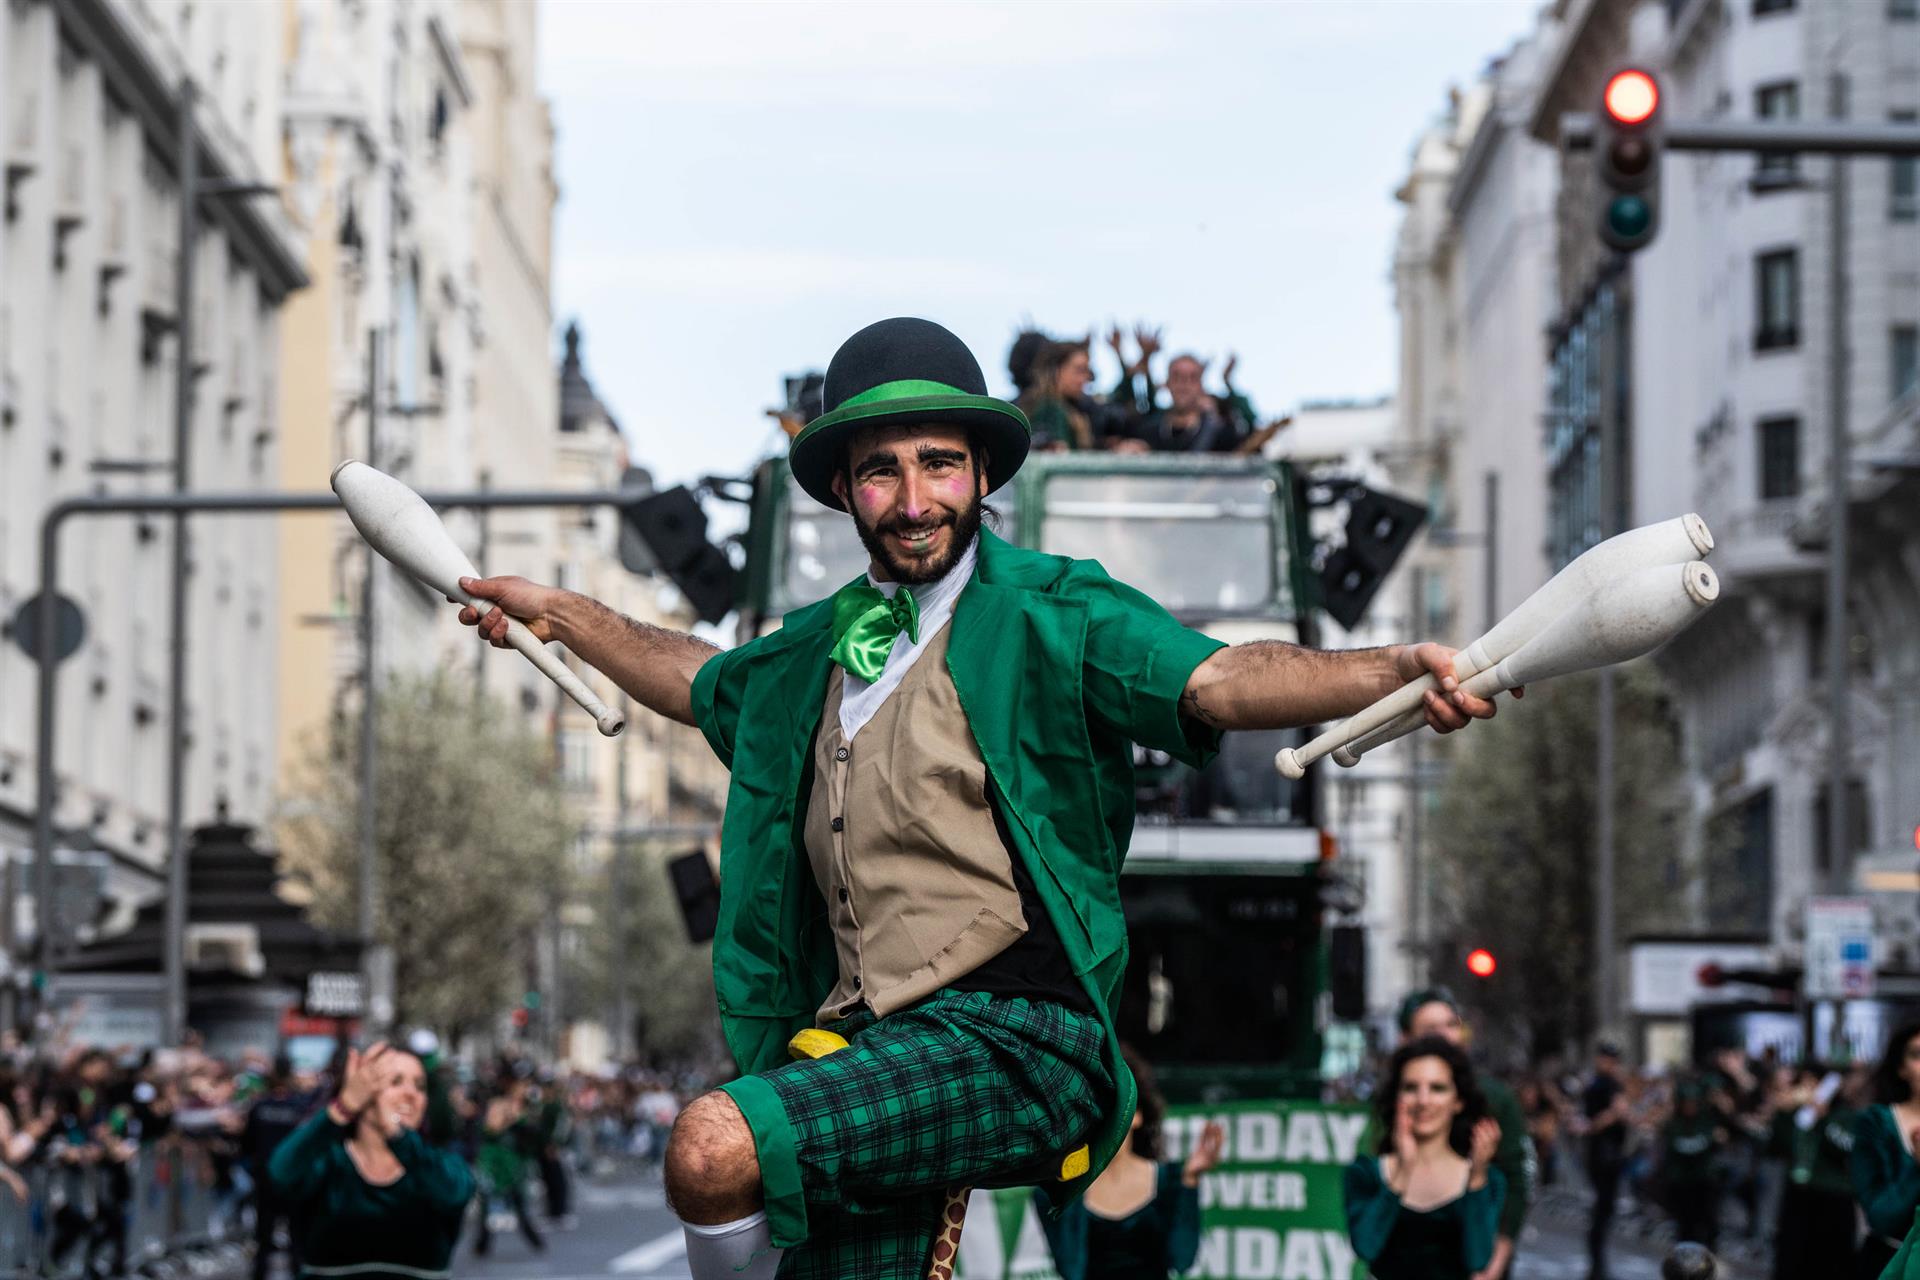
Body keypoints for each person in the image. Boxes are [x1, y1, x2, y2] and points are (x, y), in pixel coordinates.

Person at [453, 315, 1499, 1279]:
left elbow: (1218, 677)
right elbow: (695, 673)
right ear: (843, 491)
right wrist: (561, 613)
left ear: (981, 469)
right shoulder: (814, 650)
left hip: (1015, 1034)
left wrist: (1389, 668)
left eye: (940, 463)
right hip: (866, 1045)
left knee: (714, 1143)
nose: (914, 501)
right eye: (881, 473)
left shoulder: (1054, 609)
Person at [267, 1043, 474, 1280]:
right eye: (395, 1082)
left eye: (419, 1086)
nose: (411, 1094)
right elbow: (281, 1172)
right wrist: (341, 1109)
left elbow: (453, 1194)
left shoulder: (440, 1166)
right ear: (361, 1092)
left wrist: (397, 1136)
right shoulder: (329, 1163)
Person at [1039, 1045, 1222, 1279]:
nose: (1103, 1118)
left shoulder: (1169, 1181)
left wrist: (1190, 1180)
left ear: (1137, 1114)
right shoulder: (1059, 1191)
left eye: (1112, 1105)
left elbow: (1182, 1258)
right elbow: (1068, 1266)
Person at [1397, 989, 1534, 1280]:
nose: (1446, 1035)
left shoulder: (1493, 1099)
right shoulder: (1390, 1103)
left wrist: (1494, 1262)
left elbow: (1517, 1179)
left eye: (1451, 1024)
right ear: (1407, 1039)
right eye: (1431, 1029)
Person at [1344, 1035, 1505, 1279]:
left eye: (1437, 1088)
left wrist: (1476, 1180)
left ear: (1458, 1101)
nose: (1423, 1100)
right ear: (1396, 1097)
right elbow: (1366, 1246)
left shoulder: (1486, 1180)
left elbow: (1478, 1259)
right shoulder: (1365, 1173)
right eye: (1410, 1088)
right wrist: (1403, 1170)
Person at [1766, 1062, 1860, 1279]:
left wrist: (1824, 1119)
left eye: (1814, 1083)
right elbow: (1775, 1149)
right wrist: (1781, 1114)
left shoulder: (1844, 1114)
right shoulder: (1795, 1116)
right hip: (1799, 1194)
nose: (1809, 1089)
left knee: (1831, 1262)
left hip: (1833, 1197)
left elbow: (1845, 1149)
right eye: (1804, 1083)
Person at [1855, 1023, 1920, 1278]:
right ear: (1901, 1068)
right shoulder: (1877, 1122)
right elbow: (1881, 1217)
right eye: (1917, 1055)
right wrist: (1916, 1168)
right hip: (1892, 1260)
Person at [241, 1058, 311, 1280]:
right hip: (289, 1179)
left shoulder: (261, 1106)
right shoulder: (299, 1108)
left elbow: (247, 1142)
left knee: (265, 1236)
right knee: (295, 1238)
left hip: (267, 1178)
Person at [474, 1069, 545, 1256]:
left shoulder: (528, 1108)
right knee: (488, 1205)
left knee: (520, 1204)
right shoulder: (499, 1105)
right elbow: (491, 1129)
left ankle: (534, 1239)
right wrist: (509, 1117)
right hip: (495, 1161)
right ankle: (482, 1244)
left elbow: (533, 1135)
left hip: (514, 1163)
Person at [1580, 1039, 1631, 1280]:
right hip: (1603, 1153)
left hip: (1608, 1152)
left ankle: (1597, 1263)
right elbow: (1603, 1118)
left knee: (1604, 1209)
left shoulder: (1607, 1084)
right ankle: (1597, 1264)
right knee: (1602, 1208)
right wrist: (1612, 1115)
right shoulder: (1603, 1085)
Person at [1126, 353, 1248, 453]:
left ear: (1201, 386)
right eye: (1177, 377)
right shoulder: (1148, 432)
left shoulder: (1221, 435)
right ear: (1167, 383)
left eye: (1192, 378)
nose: (1184, 384)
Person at [1659, 1076, 1726, 1251]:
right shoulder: (1674, 1123)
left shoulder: (1707, 1121)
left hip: (1703, 1181)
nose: (1690, 1107)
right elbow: (1678, 1145)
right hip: (1682, 1182)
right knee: (1685, 1226)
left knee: (1707, 1223)